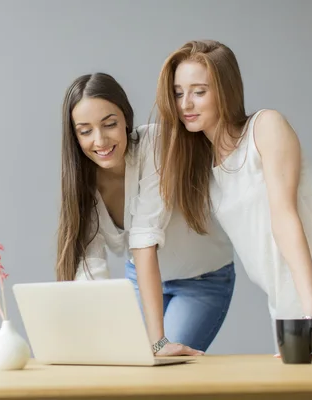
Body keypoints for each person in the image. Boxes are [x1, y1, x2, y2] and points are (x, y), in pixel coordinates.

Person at [154, 39, 312, 357]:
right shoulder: (203, 168)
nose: (185, 104)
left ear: (226, 90)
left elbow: (284, 218)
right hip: (292, 321)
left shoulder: (265, 127)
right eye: (179, 93)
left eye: (199, 91)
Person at [55, 72, 236, 355]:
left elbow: (144, 239)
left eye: (110, 124)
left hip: (201, 280)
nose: (100, 140)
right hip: (139, 279)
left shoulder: (156, 144)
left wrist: (158, 342)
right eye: (85, 130)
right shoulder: (81, 183)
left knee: (162, 371)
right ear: (74, 135)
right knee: (131, 367)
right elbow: (91, 267)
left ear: (126, 118)